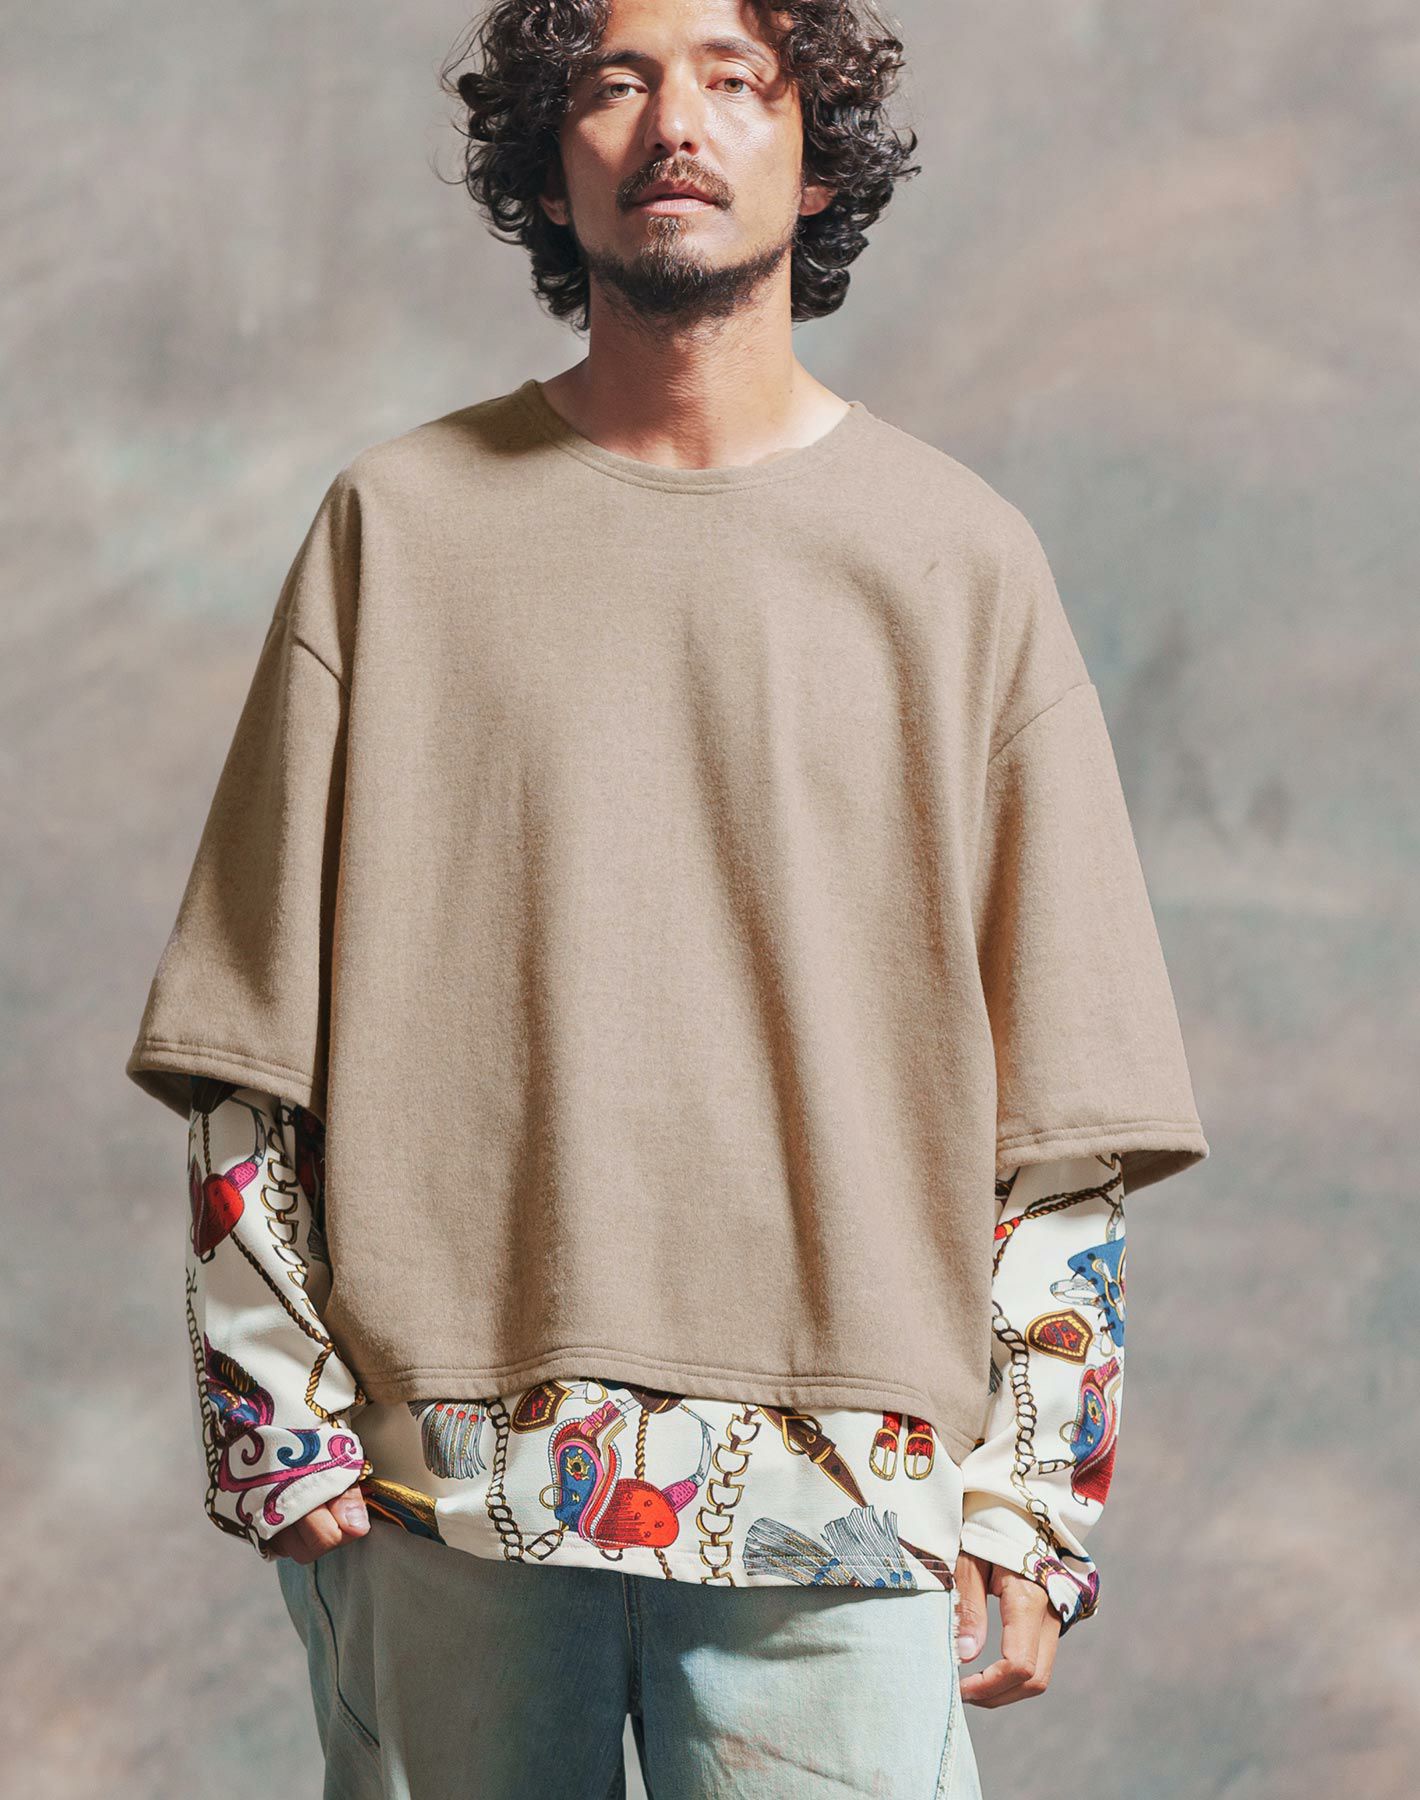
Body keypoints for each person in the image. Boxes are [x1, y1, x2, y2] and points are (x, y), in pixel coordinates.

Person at [126, 2, 1208, 1794]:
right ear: (547, 164)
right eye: (613, 82)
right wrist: (274, 1414)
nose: (670, 124)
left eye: (730, 76)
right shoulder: (395, 530)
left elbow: (1069, 1099)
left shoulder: (961, 564)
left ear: (817, 150)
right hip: (441, 1482)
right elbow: (248, 1035)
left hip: (848, 1486)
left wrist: (1036, 1493)